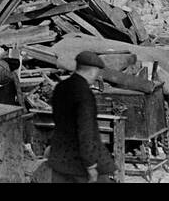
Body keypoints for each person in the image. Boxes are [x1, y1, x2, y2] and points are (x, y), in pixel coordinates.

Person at [46, 51, 119, 183]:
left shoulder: (61, 87)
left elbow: (58, 120)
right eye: (97, 72)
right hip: (80, 163)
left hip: (59, 157)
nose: (97, 76)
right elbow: (86, 132)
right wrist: (91, 165)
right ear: (92, 71)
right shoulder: (85, 94)